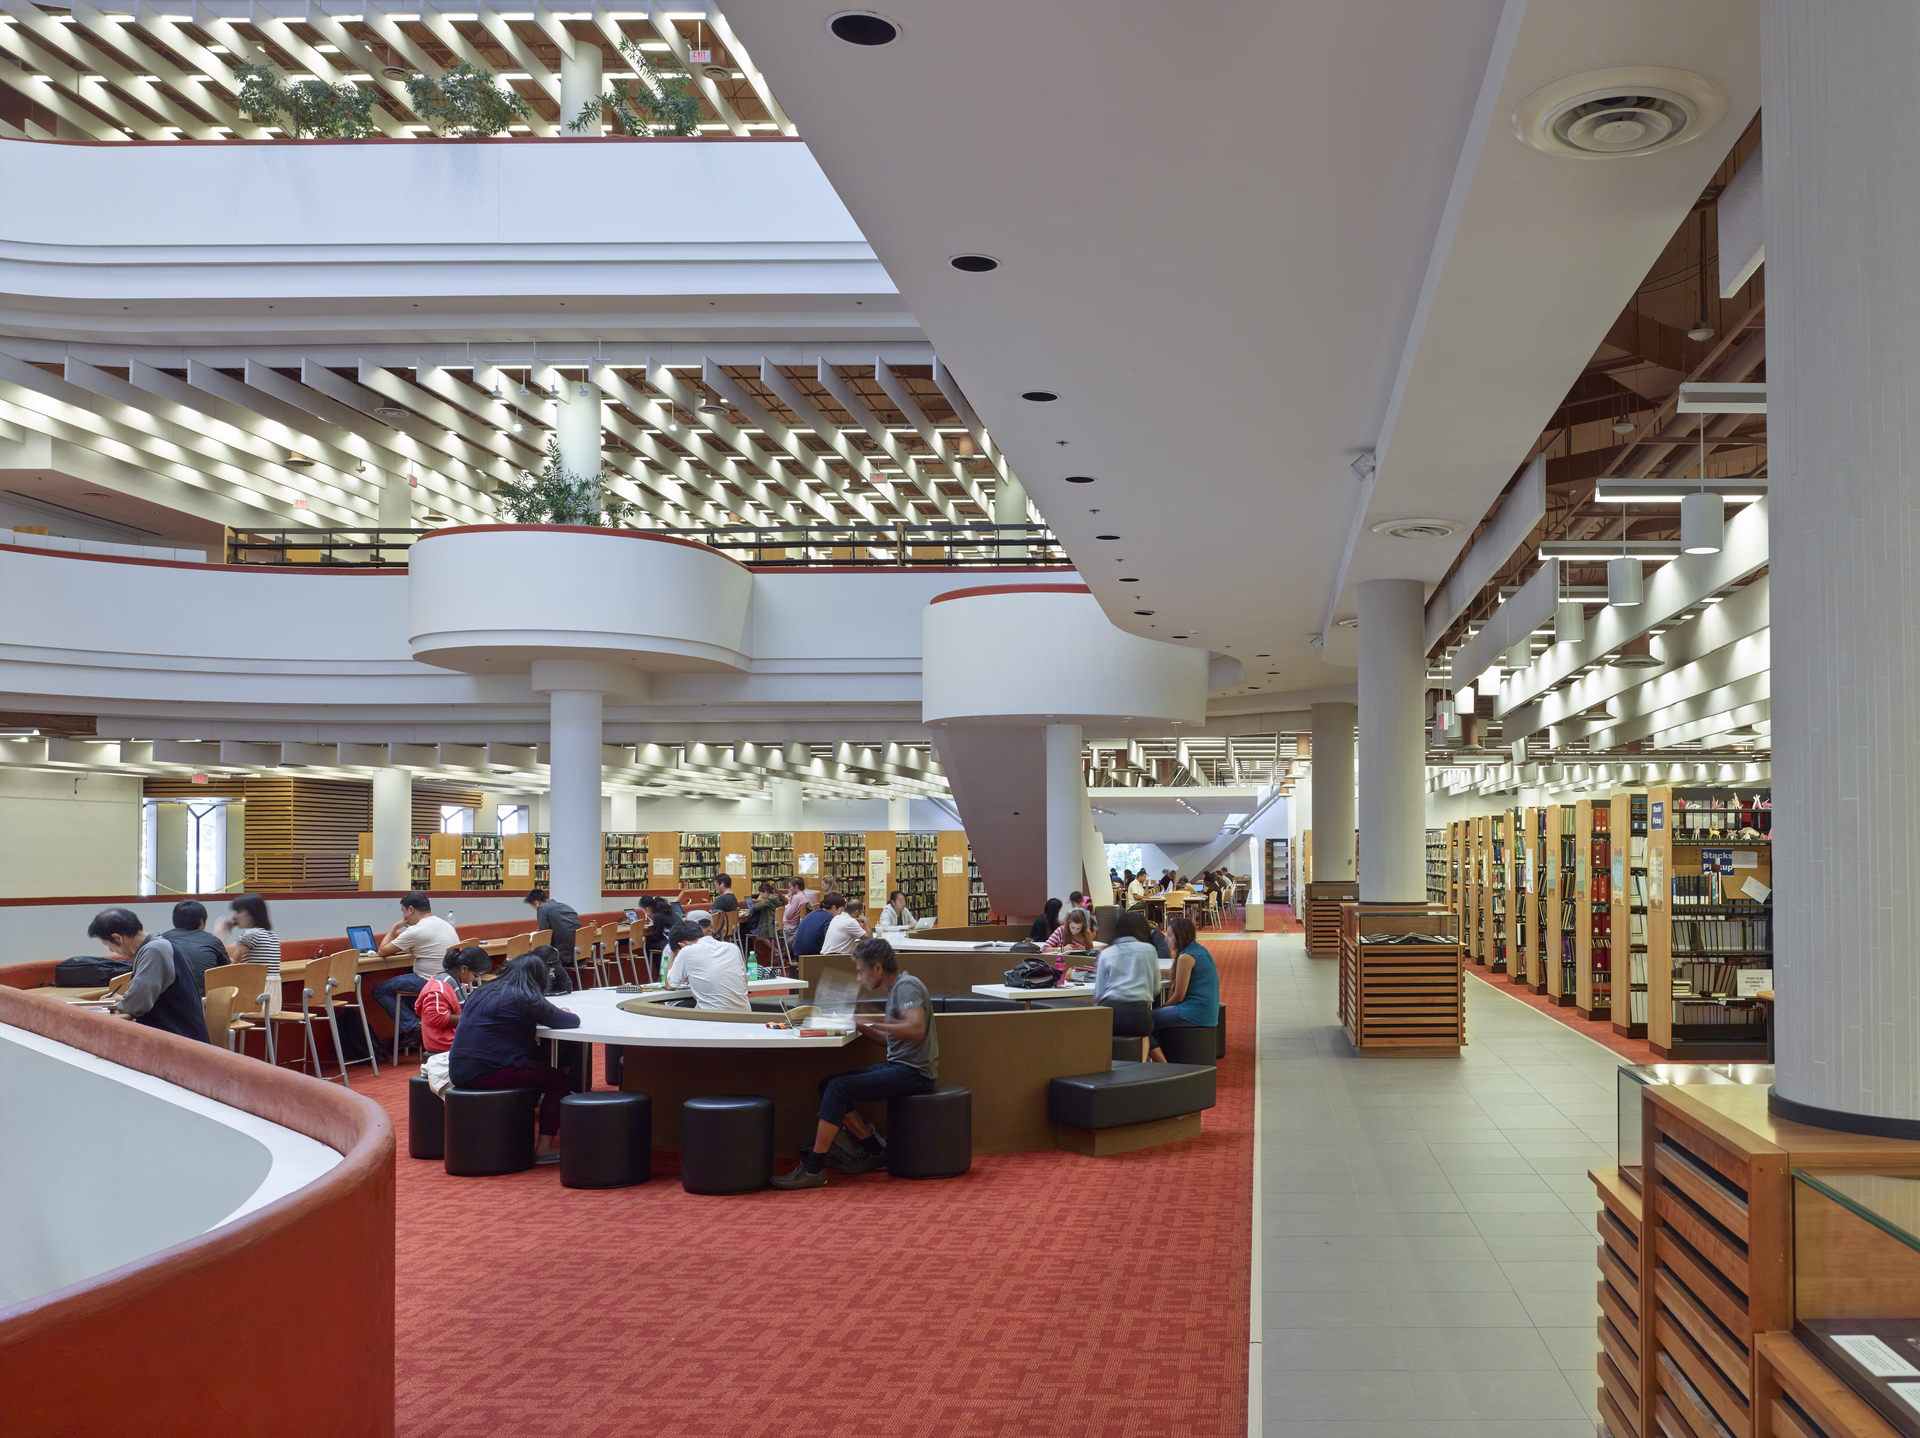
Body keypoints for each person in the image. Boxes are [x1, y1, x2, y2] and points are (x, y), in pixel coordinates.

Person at [773, 936, 936, 1189]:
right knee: (829, 1084)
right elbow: (889, 1040)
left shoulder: (907, 986)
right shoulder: (897, 989)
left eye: (861, 971)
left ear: (878, 968)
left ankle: (814, 1169)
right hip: (902, 1066)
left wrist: (872, 1019)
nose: (859, 978)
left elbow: (915, 1029)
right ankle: (873, 1150)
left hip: (915, 1072)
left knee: (839, 1088)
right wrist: (858, 1023)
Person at [449, 952, 581, 1161]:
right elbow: (570, 1021)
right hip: (487, 1071)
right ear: (539, 977)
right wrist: (562, 1010)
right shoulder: (525, 996)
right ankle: (544, 1148)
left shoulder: (482, 991)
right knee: (558, 1080)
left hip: (458, 1069)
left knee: (536, 1069)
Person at [88, 907, 208, 1042]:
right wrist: (123, 1000)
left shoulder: (155, 950)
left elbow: (136, 1005)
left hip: (179, 1042)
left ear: (117, 938)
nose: (111, 950)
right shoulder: (156, 945)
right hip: (178, 1036)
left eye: (108, 945)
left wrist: (125, 1002)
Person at [372, 893, 461, 1053]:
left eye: (403, 911)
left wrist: (394, 927)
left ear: (411, 909)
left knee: (380, 990)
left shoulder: (416, 931)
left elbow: (382, 951)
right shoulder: (444, 923)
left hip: (429, 981)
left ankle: (414, 1028)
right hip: (450, 981)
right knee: (404, 990)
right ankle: (415, 1030)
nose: (404, 916)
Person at [415, 946, 491, 1091]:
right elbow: (436, 1019)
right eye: (476, 975)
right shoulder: (439, 988)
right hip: (441, 1040)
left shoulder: (455, 982)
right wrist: (472, 1018)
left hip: (453, 1035)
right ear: (463, 969)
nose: (476, 979)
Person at [1151, 915, 1219, 1062]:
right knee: (1150, 1020)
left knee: (1144, 1021)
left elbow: (1178, 996)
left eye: (1169, 935)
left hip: (1195, 1012)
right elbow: (1173, 974)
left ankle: (1161, 1064)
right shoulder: (1197, 949)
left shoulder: (1186, 957)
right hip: (1204, 1010)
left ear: (1179, 936)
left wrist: (1161, 1008)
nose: (1166, 939)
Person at [1093, 909, 1161, 1048]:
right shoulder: (1149, 950)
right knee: (1145, 1034)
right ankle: (1141, 1066)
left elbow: (1099, 993)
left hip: (1110, 1011)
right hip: (1138, 1014)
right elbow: (1155, 988)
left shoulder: (1106, 953)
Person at [663, 918, 751, 1011]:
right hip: (745, 1015)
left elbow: (670, 985)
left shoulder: (687, 951)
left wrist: (673, 952)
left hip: (712, 1018)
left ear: (682, 945)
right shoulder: (732, 947)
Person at [215, 893, 281, 1009]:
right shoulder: (271, 935)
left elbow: (228, 963)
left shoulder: (250, 935)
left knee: (219, 1005)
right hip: (273, 1000)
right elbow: (231, 951)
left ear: (251, 914)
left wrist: (220, 933)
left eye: (239, 912)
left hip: (256, 999)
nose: (235, 917)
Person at [160, 899, 226, 995]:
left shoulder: (160, 940)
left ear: (175, 921)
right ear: (201, 922)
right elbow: (225, 971)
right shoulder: (212, 940)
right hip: (203, 1004)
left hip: (166, 1004)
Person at [523, 887, 580, 974]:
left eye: (533, 907)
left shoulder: (542, 908)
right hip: (578, 955)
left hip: (561, 957)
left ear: (536, 903)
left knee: (528, 959)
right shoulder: (566, 906)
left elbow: (544, 935)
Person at [791, 892, 841, 957]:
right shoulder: (829, 918)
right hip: (811, 957)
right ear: (833, 908)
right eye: (841, 910)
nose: (840, 913)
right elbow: (829, 941)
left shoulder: (812, 913)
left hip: (798, 954)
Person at [782, 876, 814, 945]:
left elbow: (788, 915)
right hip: (797, 925)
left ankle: (780, 952)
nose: (789, 889)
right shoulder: (804, 896)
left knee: (772, 926)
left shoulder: (797, 898)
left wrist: (789, 902)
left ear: (796, 886)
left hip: (790, 927)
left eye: (790, 887)